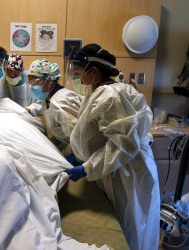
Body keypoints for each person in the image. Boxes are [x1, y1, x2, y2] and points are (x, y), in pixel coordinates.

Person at [64, 43, 160, 250]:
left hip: (126, 171)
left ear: (94, 71)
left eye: (80, 73)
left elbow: (122, 145)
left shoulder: (111, 95)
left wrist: (87, 167)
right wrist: (79, 155)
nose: (78, 79)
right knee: (132, 221)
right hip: (117, 166)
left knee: (131, 226)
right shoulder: (102, 93)